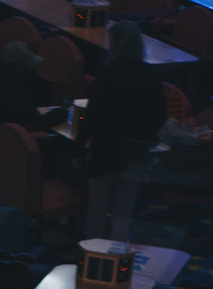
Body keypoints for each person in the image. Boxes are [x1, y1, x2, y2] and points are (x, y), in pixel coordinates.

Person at [70, 19, 167, 240]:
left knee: (97, 206)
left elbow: (93, 115)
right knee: (124, 208)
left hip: (105, 147)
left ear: (116, 43)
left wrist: (78, 149)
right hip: (136, 150)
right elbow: (161, 115)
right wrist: (144, 136)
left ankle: (94, 251)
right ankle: (117, 252)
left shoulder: (108, 73)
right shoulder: (150, 74)